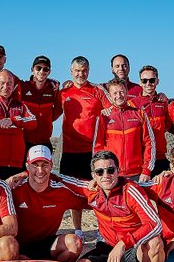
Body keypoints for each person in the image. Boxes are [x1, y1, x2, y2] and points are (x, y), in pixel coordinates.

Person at [59, 151, 165, 262]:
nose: (106, 176)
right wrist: (26, 173)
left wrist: (124, 243)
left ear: (118, 171)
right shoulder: (92, 190)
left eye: (110, 170)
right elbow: (58, 178)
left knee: (155, 243)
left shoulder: (130, 190)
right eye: (100, 172)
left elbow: (155, 223)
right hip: (107, 247)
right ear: (93, 175)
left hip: (133, 249)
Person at [58, 56, 109, 233]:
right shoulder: (63, 93)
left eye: (84, 70)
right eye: (77, 71)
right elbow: (51, 114)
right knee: (73, 193)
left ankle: (103, 228)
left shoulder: (97, 91)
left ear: (89, 70)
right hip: (70, 150)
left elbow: (112, 111)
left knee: (97, 190)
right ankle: (78, 230)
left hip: (93, 150)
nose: (81, 74)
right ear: (71, 72)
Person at [11, 145, 88, 262]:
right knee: (6, 246)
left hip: (47, 245)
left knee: (75, 243)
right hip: (16, 245)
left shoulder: (61, 191)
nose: (40, 170)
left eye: (45, 165)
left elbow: (95, 202)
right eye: (35, 165)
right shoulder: (15, 189)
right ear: (27, 166)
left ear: (51, 166)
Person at [93, 78, 155, 181]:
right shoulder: (103, 117)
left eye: (121, 92)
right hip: (112, 173)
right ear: (110, 95)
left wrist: (146, 171)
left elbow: (149, 143)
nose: (119, 96)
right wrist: (99, 172)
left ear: (126, 92)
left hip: (138, 174)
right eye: (115, 93)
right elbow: (97, 147)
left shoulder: (140, 113)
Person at [0, 69, 36, 179]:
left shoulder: (20, 105)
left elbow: (33, 121)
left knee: (16, 196)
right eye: (2, 83)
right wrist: (20, 125)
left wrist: (13, 120)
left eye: (9, 83)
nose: (6, 87)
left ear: (13, 85)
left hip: (17, 163)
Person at [128, 65, 171, 174]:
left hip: (160, 157)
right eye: (145, 80)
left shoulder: (163, 102)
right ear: (140, 82)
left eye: (152, 80)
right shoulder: (132, 104)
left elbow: (167, 126)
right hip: (142, 158)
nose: (148, 83)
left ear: (157, 81)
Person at [20, 56, 62, 154]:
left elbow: (58, 110)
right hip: (25, 141)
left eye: (45, 69)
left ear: (49, 72)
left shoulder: (53, 89)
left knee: (44, 169)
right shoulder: (23, 87)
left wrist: (46, 120)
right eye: (38, 68)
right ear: (32, 70)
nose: (41, 71)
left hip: (45, 142)